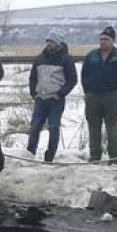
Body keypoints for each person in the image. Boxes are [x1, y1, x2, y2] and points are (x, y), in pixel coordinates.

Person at [27, 31, 77, 163]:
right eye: (48, 41)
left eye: (52, 42)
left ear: (58, 43)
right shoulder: (39, 59)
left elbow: (72, 79)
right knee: (35, 127)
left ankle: (50, 156)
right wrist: (33, 92)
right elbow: (33, 77)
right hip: (40, 99)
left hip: (55, 100)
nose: (49, 44)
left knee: (54, 127)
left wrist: (61, 93)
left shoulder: (66, 59)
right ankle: (29, 153)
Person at [80, 26, 117, 162]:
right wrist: (87, 90)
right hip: (93, 95)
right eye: (101, 39)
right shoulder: (92, 55)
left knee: (112, 127)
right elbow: (84, 74)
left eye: (106, 39)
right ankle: (95, 155)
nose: (103, 42)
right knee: (93, 127)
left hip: (112, 95)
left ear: (112, 40)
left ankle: (115, 157)